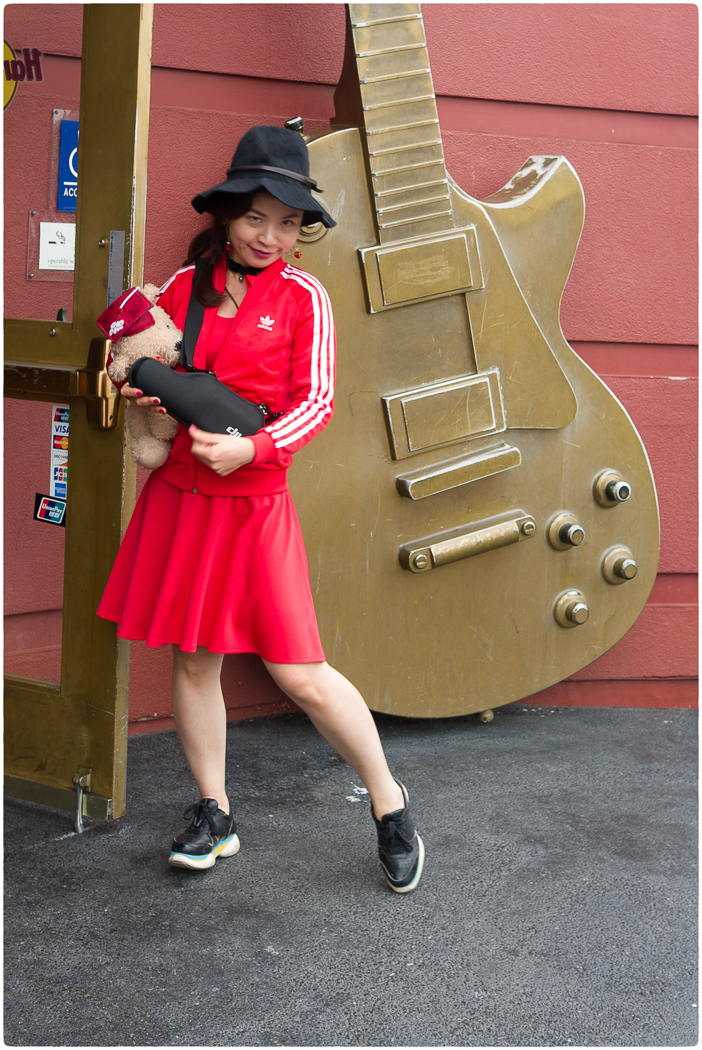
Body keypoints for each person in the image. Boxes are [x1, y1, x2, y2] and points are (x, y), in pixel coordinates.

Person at [97, 125, 424, 893]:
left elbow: (318, 401)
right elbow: (158, 374)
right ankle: (214, 812)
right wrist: (145, 393)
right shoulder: (182, 287)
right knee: (192, 657)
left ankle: (389, 801)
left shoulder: (305, 298)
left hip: (253, 505)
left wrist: (253, 449)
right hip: (180, 497)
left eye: (287, 222)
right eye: (256, 217)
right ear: (228, 213)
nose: (270, 236)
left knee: (301, 674)